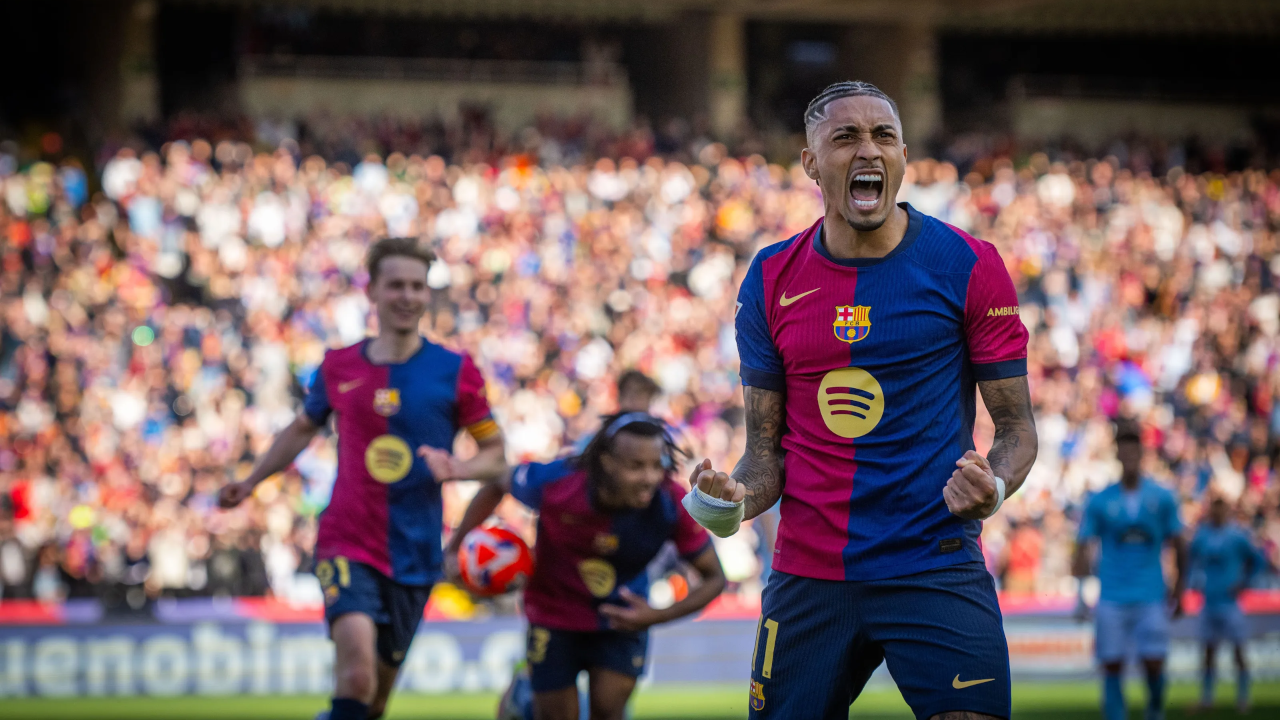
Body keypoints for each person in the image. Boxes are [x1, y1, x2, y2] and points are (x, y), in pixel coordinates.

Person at [684, 81, 1039, 720]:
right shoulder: (769, 278)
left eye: (883, 136)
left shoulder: (968, 264)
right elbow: (764, 459)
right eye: (845, 137)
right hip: (811, 575)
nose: (867, 149)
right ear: (811, 163)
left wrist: (996, 486)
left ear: (903, 156)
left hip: (933, 563)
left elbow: (1017, 430)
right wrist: (729, 501)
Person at [219, 237, 507, 720]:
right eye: (396, 285)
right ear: (371, 291)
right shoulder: (338, 365)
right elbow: (302, 429)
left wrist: (459, 469)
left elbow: (498, 458)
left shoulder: (455, 370)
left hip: (415, 553)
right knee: (355, 676)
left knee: (371, 704)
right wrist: (251, 482)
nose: (407, 296)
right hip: (347, 540)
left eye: (417, 286)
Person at [430, 412, 726, 720]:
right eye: (636, 466)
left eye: (656, 465)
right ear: (608, 462)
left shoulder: (669, 502)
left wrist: (656, 616)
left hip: (622, 619)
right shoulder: (557, 481)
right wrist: (454, 549)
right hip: (553, 614)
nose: (650, 477)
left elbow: (715, 578)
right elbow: (497, 483)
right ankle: (525, 690)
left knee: (609, 710)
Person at [1072, 420, 1187, 720]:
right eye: (1124, 450)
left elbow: (1179, 543)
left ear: (1142, 453)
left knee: (1154, 662)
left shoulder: (1162, 497)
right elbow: (1083, 547)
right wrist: (1081, 595)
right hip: (1112, 594)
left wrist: (1180, 590)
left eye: (1134, 450)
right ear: (1118, 455)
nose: (1130, 456)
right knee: (1112, 664)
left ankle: (1154, 709)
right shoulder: (1100, 500)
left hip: (1150, 593)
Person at [1188, 495, 1269, 714]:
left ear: (1227, 512)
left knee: (1238, 651)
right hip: (1209, 601)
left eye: (1221, 510)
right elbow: (1189, 558)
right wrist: (1193, 581)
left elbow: (1258, 559)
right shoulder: (1202, 535)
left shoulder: (1236, 535)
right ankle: (1207, 698)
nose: (1217, 514)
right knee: (1208, 652)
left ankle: (1243, 698)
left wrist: (1245, 582)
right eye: (1214, 510)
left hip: (1230, 602)